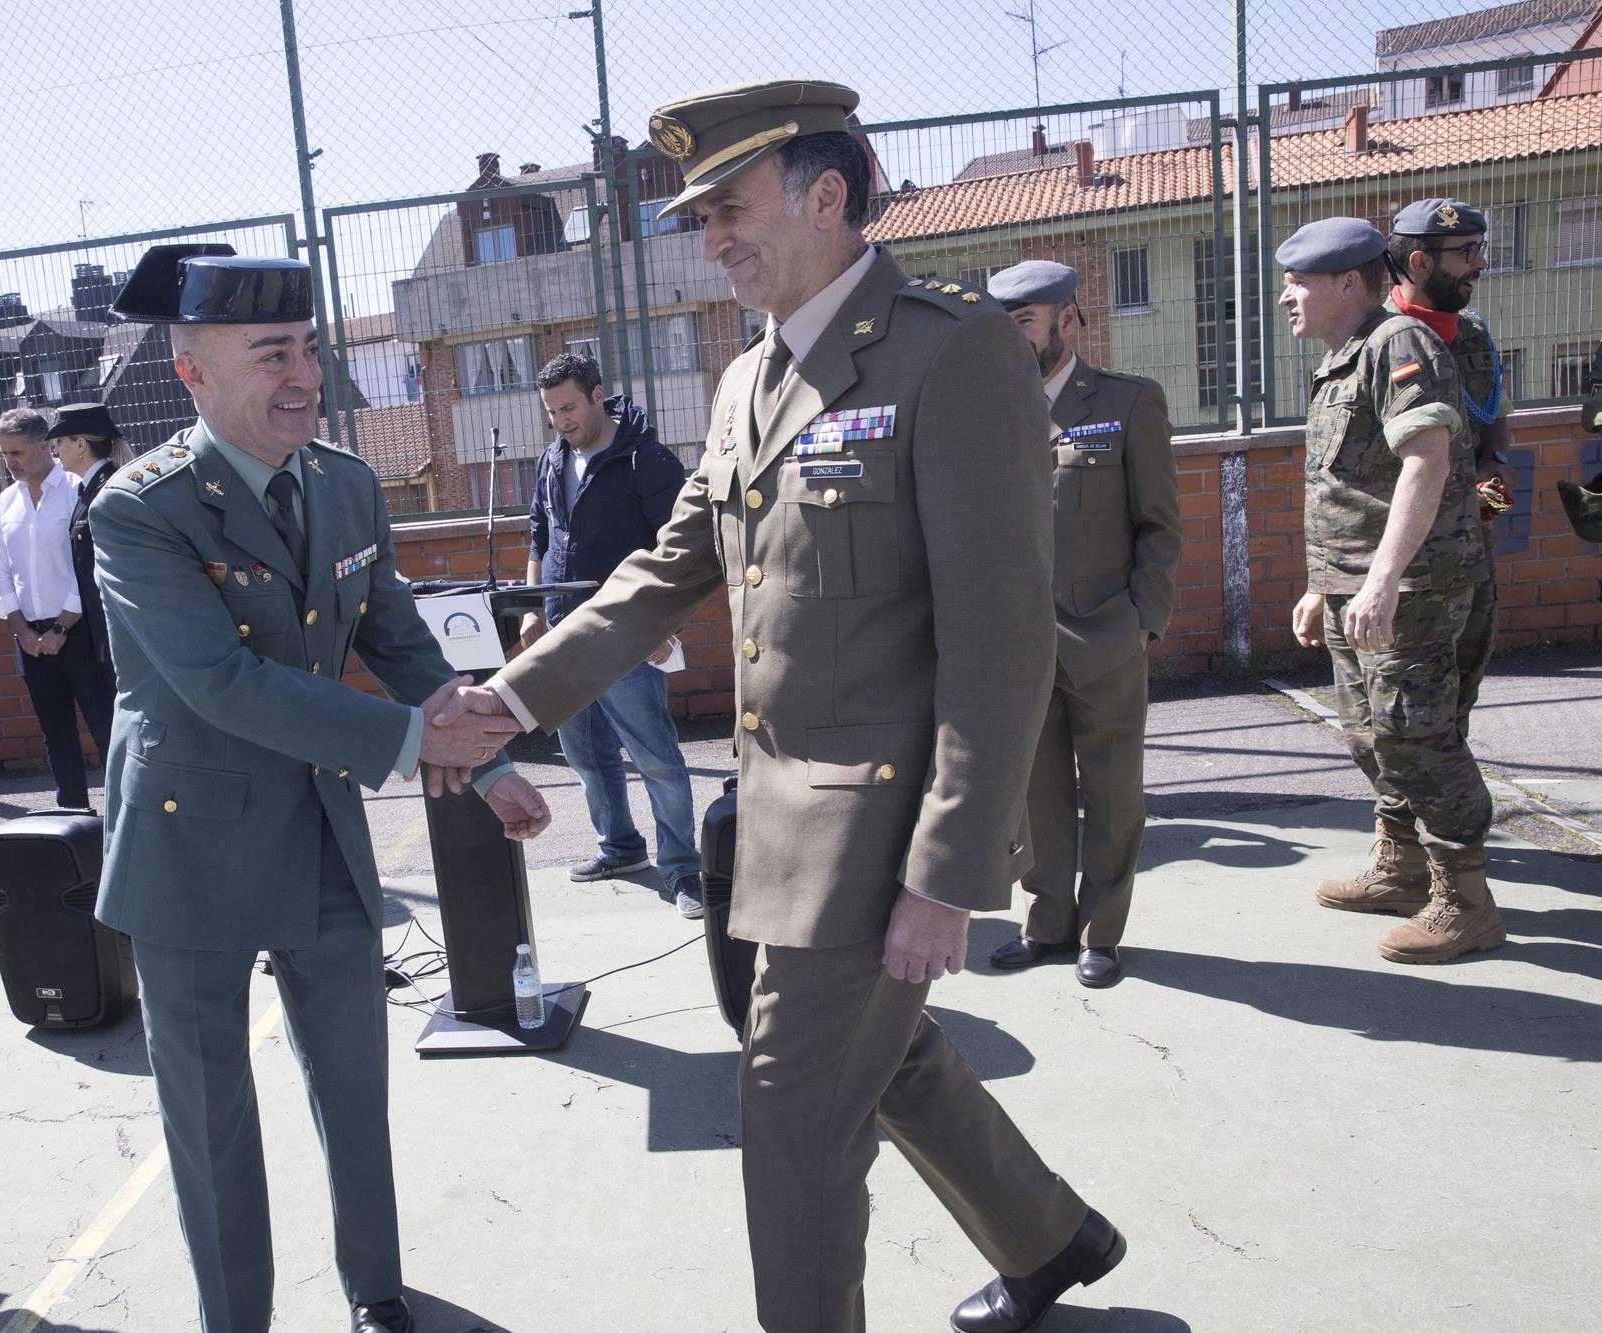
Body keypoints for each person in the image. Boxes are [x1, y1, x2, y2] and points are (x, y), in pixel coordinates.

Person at [440, 82, 1120, 1333]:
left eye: (729, 209)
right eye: (701, 218)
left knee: (791, 1108)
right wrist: (510, 699)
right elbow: (668, 569)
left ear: (825, 195)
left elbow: (1000, 633)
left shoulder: (949, 352)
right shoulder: (749, 376)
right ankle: (1050, 1233)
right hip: (769, 825)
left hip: (882, 829)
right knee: (883, 1052)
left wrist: (946, 871)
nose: (711, 240)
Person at [89, 243, 551, 1333]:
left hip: (317, 830)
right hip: (188, 845)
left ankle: (375, 1289)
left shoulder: (344, 484)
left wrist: (483, 761)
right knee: (209, 1116)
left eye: (307, 347)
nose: (303, 374)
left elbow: (390, 634)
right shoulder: (139, 508)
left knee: (353, 1081)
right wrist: (414, 738)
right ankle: (235, 1317)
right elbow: (218, 681)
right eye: (269, 355)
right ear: (193, 372)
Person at [1280, 217, 1501, 964]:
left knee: (1419, 736)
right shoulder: (1347, 355)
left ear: (1348, 282)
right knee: (1372, 737)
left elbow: (1425, 464)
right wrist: (1321, 585)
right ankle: (1402, 870)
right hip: (1353, 587)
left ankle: (1466, 903)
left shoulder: (1398, 345)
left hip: (1411, 590)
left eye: (1298, 282)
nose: (1287, 297)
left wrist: (1381, 580)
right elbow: (1348, 484)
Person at [983, 260, 1180, 989]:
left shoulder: (1129, 405)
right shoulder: (990, 412)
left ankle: (1102, 932)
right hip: (1022, 648)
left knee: (1113, 791)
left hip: (1105, 639)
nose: (1012, 340)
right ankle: (1047, 923)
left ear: (1067, 319)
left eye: (1023, 324)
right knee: (1034, 794)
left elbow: (1159, 527)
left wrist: (1143, 621)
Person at [520, 351, 703, 917]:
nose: (562, 421)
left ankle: (683, 869)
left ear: (599, 395)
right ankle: (620, 849)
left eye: (570, 408)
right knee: (586, 756)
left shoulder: (647, 462)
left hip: (627, 636)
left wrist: (665, 626)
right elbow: (538, 538)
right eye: (552, 412)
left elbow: (684, 554)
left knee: (655, 758)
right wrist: (531, 610)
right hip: (560, 632)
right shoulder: (553, 459)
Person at [0, 407, 111, 811]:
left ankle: (125, 817)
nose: (10, 463)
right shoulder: (7, 500)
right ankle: (73, 814)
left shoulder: (79, 487)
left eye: (17, 453)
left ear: (44, 446)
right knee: (55, 733)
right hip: (30, 638)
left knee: (106, 727)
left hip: (81, 631)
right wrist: (20, 629)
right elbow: (0, 567)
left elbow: (88, 564)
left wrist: (61, 627)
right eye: (4, 454)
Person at [49, 402, 122, 690]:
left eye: (59, 442)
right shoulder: (89, 491)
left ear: (80, 444)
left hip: (119, 629)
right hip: (104, 631)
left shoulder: (107, 490)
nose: (56, 451)